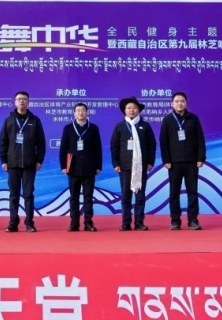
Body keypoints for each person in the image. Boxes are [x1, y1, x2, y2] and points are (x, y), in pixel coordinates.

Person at [0, 91, 46, 232]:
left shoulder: (34, 120)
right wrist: (3, 160)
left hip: (30, 164)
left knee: (28, 194)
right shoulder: (9, 120)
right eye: (19, 99)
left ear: (28, 102)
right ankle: (13, 222)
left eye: (24, 99)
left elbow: (41, 142)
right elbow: (3, 142)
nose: (22, 101)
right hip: (12, 164)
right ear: (15, 102)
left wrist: (39, 160)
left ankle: (29, 222)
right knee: (13, 195)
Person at [159, 92, 206, 230]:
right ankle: (175, 220)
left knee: (192, 192)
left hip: (192, 162)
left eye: (182, 101)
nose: (180, 103)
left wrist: (200, 157)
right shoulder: (167, 120)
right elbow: (163, 142)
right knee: (174, 193)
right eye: (177, 101)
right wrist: (166, 160)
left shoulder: (193, 118)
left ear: (186, 103)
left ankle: (193, 220)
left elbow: (200, 139)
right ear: (172, 104)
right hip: (174, 163)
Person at [110, 97, 157, 231]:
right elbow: (114, 146)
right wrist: (116, 163)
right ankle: (125, 222)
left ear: (139, 110)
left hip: (141, 166)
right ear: (125, 110)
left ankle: (139, 222)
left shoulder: (145, 126)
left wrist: (150, 162)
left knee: (140, 195)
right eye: (129, 108)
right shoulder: (119, 127)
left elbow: (152, 145)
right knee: (126, 195)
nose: (132, 110)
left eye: (135, 108)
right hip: (124, 166)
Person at [59, 103, 102, 232]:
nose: (80, 112)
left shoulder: (93, 128)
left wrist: (98, 166)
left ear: (87, 112)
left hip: (90, 167)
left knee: (88, 197)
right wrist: (63, 166)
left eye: (83, 110)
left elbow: (98, 148)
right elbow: (63, 148)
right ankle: (74, 222)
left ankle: (88, 222)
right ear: (74, 113)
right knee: (74, 197)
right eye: (78, 110)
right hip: (73, 167)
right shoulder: (68, 128)